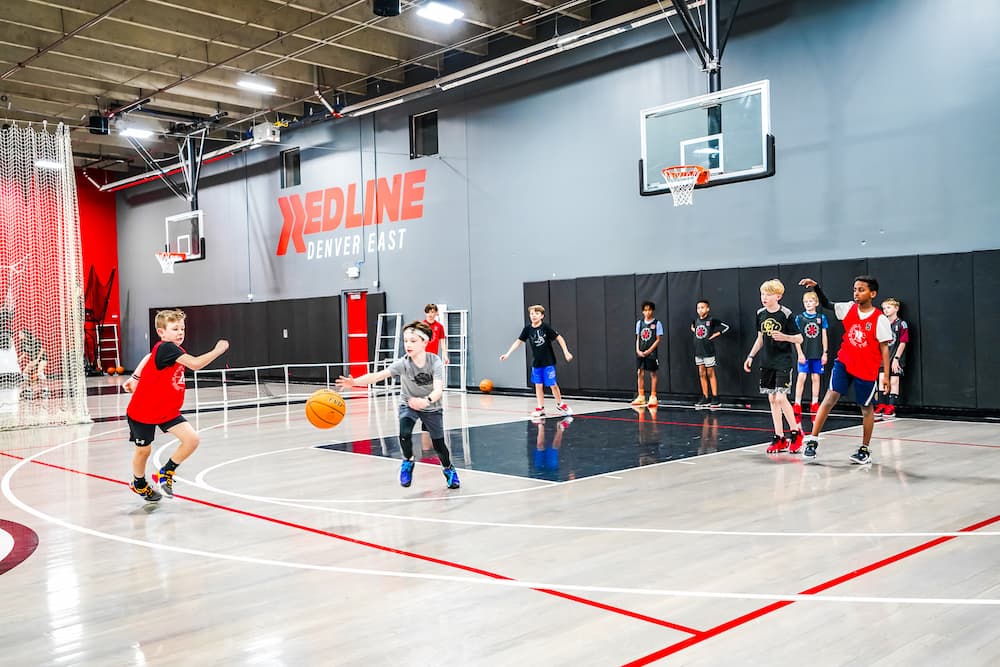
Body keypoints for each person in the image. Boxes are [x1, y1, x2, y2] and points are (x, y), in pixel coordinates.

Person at [337, 320, 460, 489]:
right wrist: (354, 382)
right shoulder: (403, 363)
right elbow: (378, 375)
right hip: (408, 404)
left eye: (413, 341)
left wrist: (425, 401)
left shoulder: (435, 362)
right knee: (404, 433)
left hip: (431, 406)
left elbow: (438, 390)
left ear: (425, 342)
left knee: (439, 445)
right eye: (405, 340)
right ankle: (408, 461)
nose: (408, 344)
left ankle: (448, 469)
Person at [122, 309, 229, 501]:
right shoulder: (167, 348)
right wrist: (218, 350)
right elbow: (195, 364)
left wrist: (135, 376)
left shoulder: (172, 350)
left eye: (182, 329)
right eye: (175, 329)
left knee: (191, 440)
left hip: (167, 410)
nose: (180, 332)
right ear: (161, 332)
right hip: (143, 410)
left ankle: (166, 472)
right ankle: (139, 483)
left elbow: (149, 356)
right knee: (143, 451)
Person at [798, 276, 892, 464]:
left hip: (866, 368)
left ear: (872, 294)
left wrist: (886, 377)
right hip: (844, 362)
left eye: (861, 290)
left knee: (866, 408)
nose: (857, 293)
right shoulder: (848, 308)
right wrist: (817, 288)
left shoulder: (879, 319)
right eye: (855, 289)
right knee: (829, 398)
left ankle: (864, 449)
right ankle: (813, 440)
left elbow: (884, 349)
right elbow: (827, 304)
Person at [743, 279, 804, 454]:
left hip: (783, 361)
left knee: (781, 398)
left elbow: (799, 338)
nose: (764, 297)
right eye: (762, 294)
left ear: (778, 296)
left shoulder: (786, 314)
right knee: (771, 399)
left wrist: (785, 337)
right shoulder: (760, 314)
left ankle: (796, 433)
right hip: (767, 361)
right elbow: (760, 338)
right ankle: (779, 437)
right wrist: (751, 356)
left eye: (768, 294)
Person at [500, 305, 574, 418]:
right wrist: (507, 354)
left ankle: (560, 404)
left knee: (553, 384)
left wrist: (566, 352)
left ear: (542, 316)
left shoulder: (545, 327)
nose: (533, 316)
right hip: (537, 363)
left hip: (548, 362)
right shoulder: (527, 329)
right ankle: (540, 408)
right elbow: (518, 342)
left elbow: (559, 338)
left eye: (536, 313)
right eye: (532, 314)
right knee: (538, 386)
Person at [792, 291, 829, 420]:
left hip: (817, 353)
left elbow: (824, 336)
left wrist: (825, 353)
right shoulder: (799, 318)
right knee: (801, 377)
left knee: (815, 377)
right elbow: (796, 337)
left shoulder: (821, 318)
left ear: (816, 303)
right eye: (806, 302)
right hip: (804, 353)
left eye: (810, 301)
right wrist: (799, 353)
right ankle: (797, 404)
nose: (808, 304)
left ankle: (814, 403)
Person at [691, 299, 730, 408]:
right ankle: (705, 397)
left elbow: (726, 327)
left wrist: (716, 334)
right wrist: (694, 330)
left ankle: (715, 398)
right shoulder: (696, 321)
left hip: (708, 351)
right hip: (698, 351)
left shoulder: (711, 320)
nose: (700, 310)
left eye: (702, 307)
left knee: (710, 373)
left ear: (708, 309)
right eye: (698, 308)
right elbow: (693, 327)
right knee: (701, 373)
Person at [875, 297, 909, 419]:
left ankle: (891, 406)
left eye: (888, 307)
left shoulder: (901, 324)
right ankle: (881, 404)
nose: (886, 310)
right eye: (884, 308)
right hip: (883, 358)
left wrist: (896, 358)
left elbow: (903, 342)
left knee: (894, 381)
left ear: (896, 308)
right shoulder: (881, 324)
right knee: (881, 380)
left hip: (895, 357)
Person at [631, 301, 663, 407]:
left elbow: (658, 339)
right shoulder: (639, 323)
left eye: (649, 310)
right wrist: (638, 350)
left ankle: (653, 396)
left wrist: (649, 350)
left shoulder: (657, 323)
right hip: (641, 352)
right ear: (642, 311)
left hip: (651, 353)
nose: (647, 312)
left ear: (652, 311)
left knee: (653, 373)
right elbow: (638, 338)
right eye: (645, 310)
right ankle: (641, 396)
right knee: (640, 372)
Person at [17, 329, 48, 399]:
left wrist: (37, 360)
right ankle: (28, 389)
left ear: (24, 334)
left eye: (20, 334)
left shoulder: (34, 340)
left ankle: (45, 390)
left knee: (40, 373)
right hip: (33, 360)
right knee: (25, 373)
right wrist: (20, 358)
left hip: (42, 358)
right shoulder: (23, 343)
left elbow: (42, 350)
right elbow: (25, 353)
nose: (19, 336)